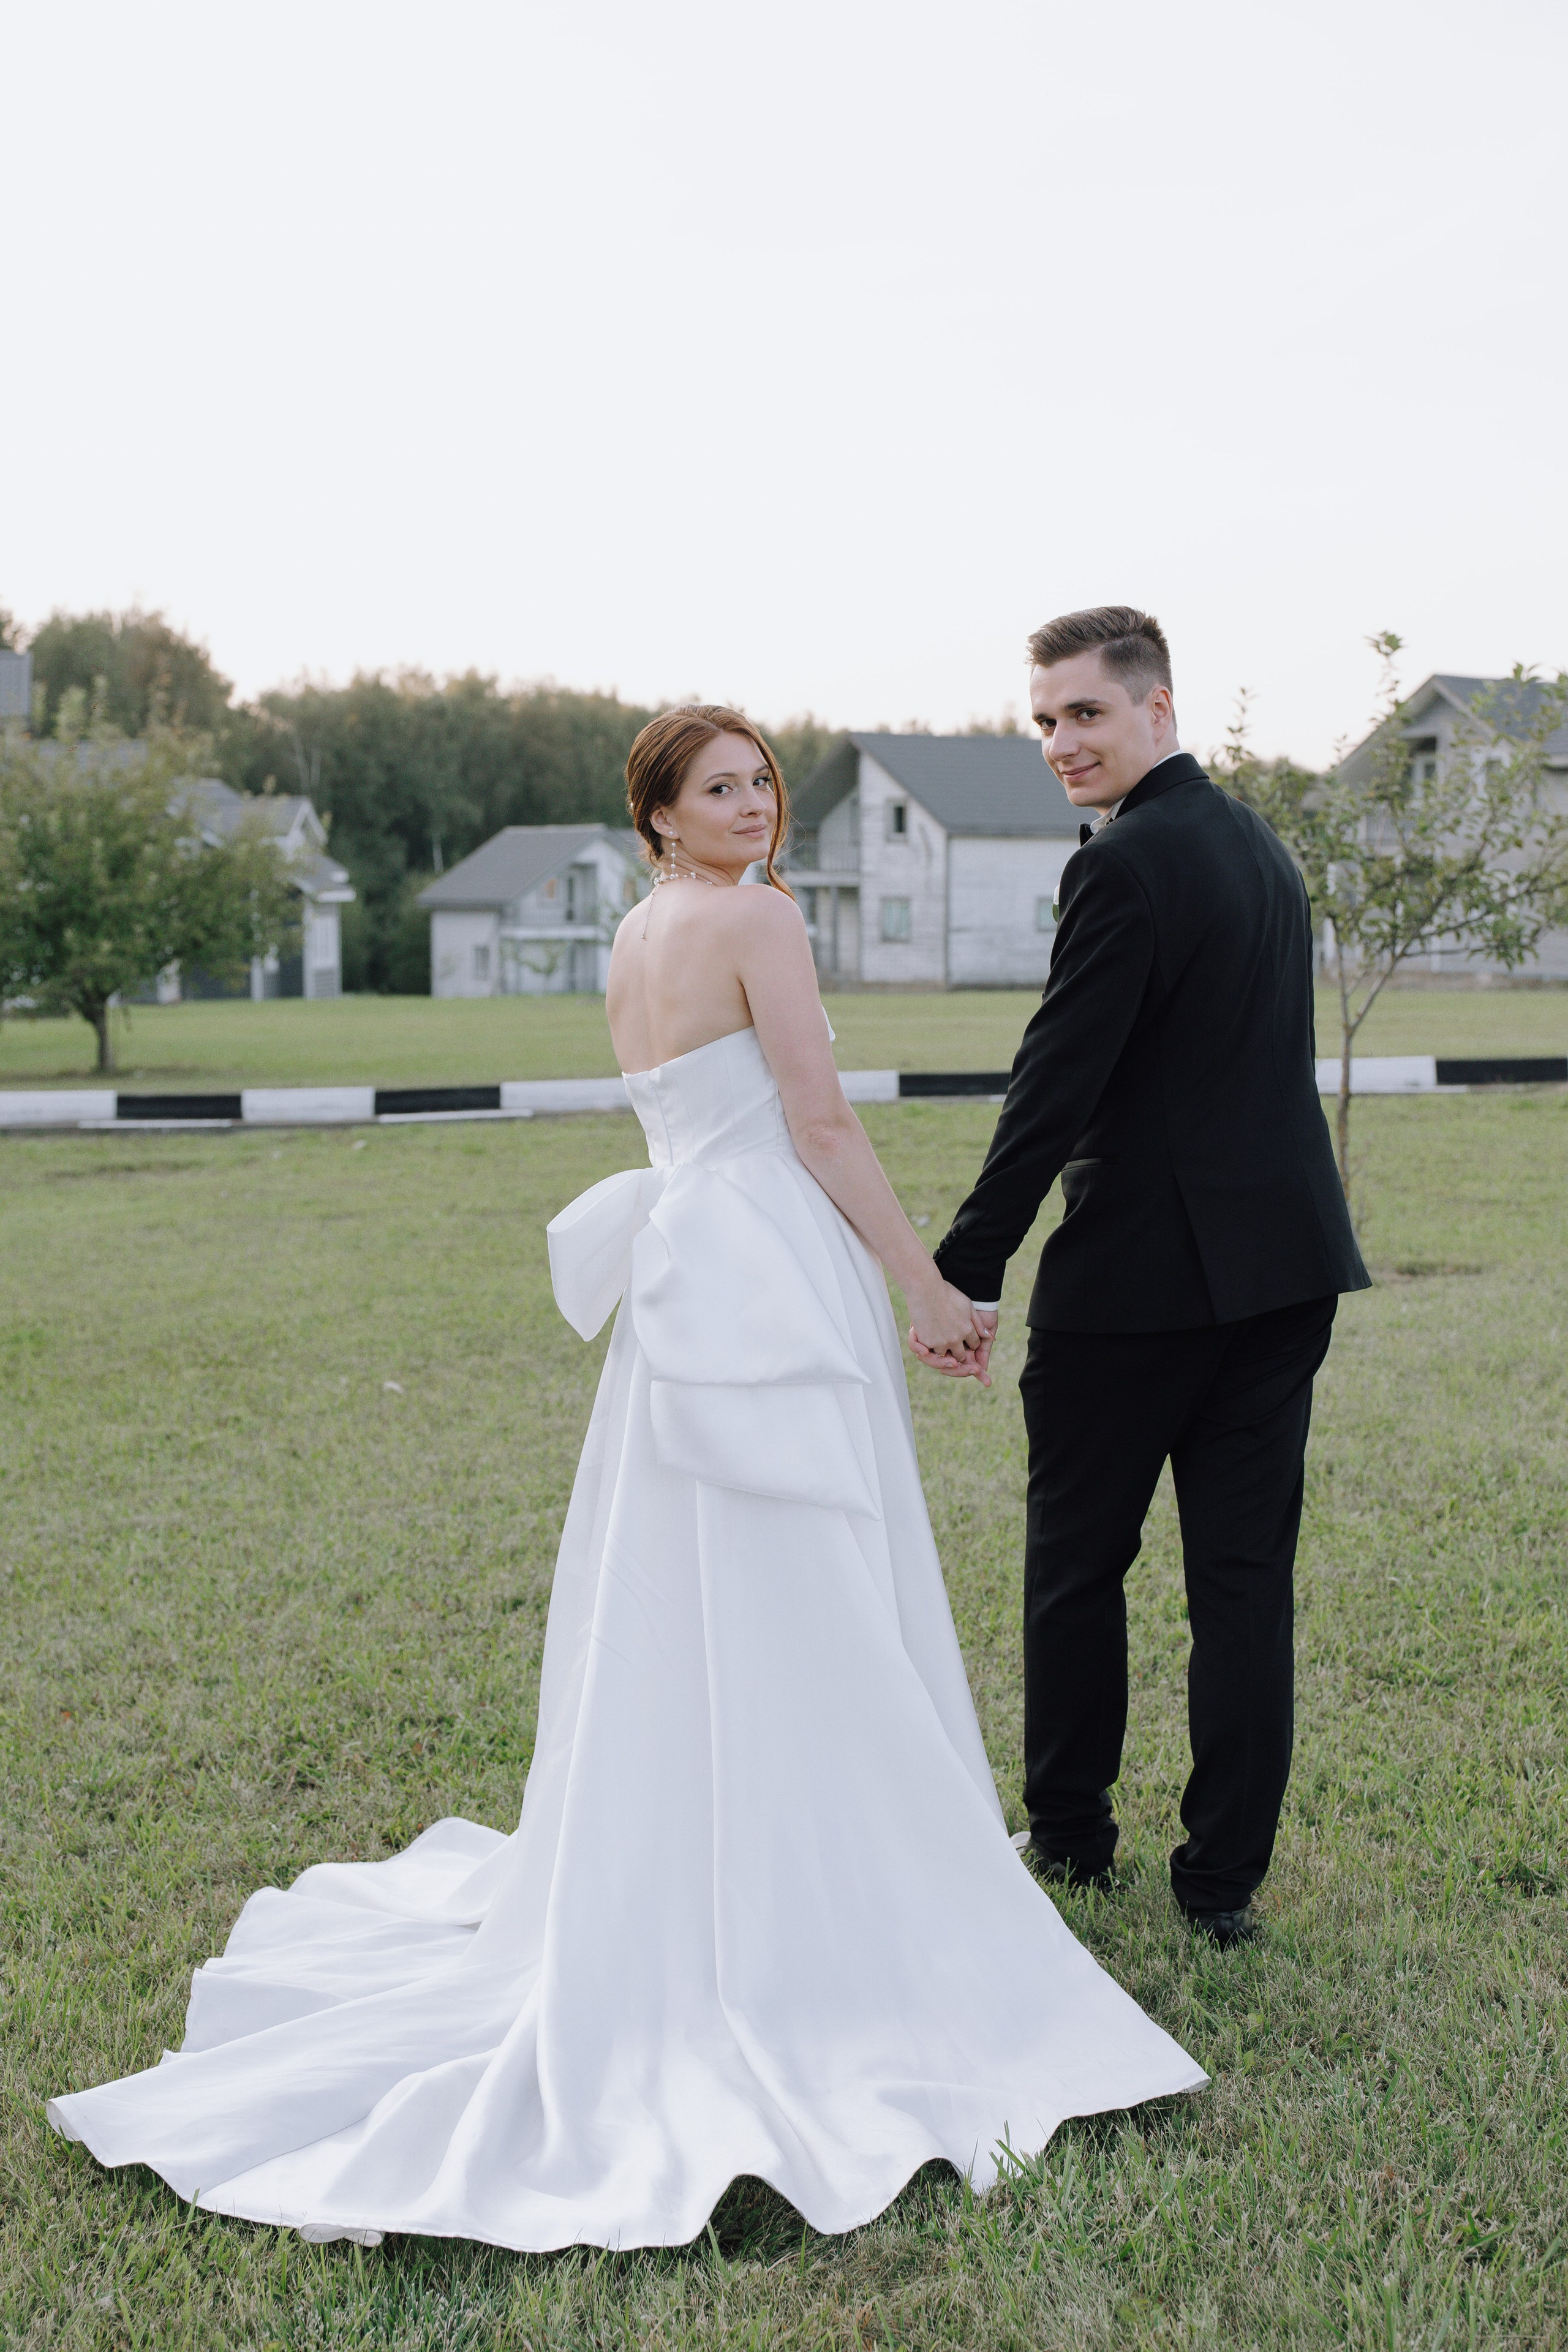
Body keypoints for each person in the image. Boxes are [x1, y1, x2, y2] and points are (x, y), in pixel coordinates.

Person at [47, 703, 1203, 2253]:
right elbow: (814, 1121)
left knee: (693, 1581)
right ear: (656, 815)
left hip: (686, 1280)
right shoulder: (752, 924)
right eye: (717, 790)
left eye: (761, 783)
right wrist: (926, 1286)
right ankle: (828, 1901)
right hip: (766, 1268)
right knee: (797, 1578)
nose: (753, 807)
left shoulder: (639, 932)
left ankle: (728, 1854)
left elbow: (685, 1117)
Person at [920, 608, 1369, 1950]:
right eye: (1044, 720)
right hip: (1284, 1268)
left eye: (1085, 714)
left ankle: (1067, 1840)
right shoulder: (1256, 846)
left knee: (1073, 1567)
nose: (1060, 742)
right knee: (1242, 1585)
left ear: (1155, 710)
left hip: (1138, 1287)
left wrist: (964, 1266)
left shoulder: (1119, 870)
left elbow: (1055, 1084)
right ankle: (1219, 1886)